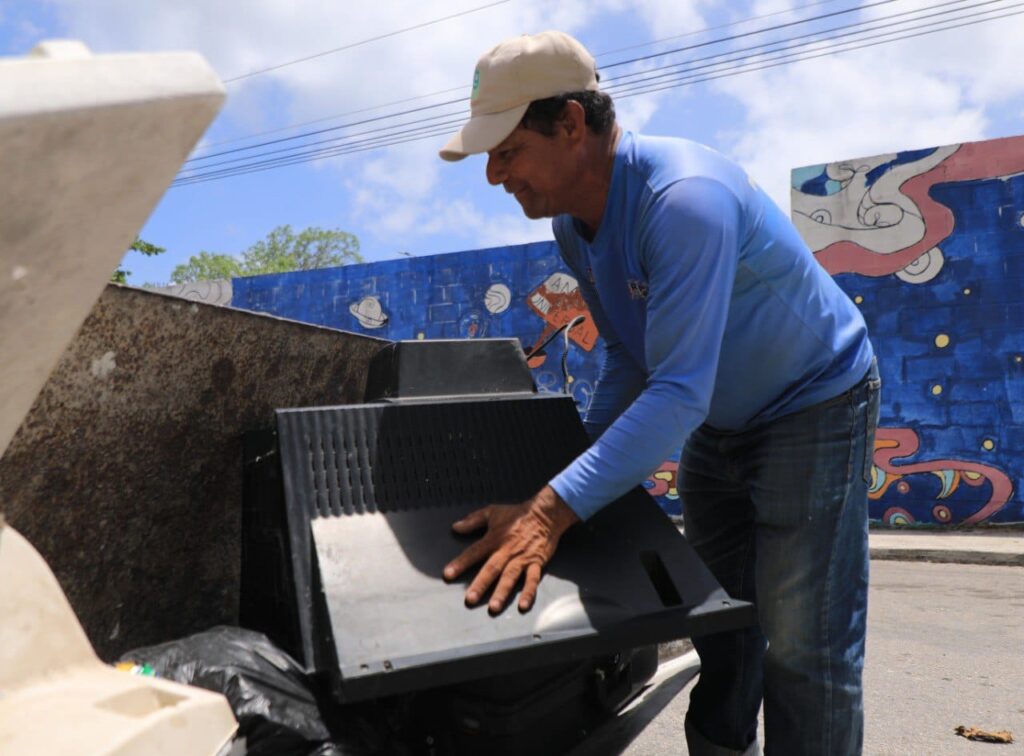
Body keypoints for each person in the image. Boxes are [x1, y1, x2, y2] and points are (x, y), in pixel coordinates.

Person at [438, 30, 879, 756]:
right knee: (720, 621)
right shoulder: (573, 228)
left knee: (804, 647)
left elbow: (675, 395)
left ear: (572, 125)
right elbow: (628, 358)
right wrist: (566, 483)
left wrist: (549, 512)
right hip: (720, 421)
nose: (493, 175)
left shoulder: (683, 200)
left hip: (815, 405)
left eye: (507, 149)